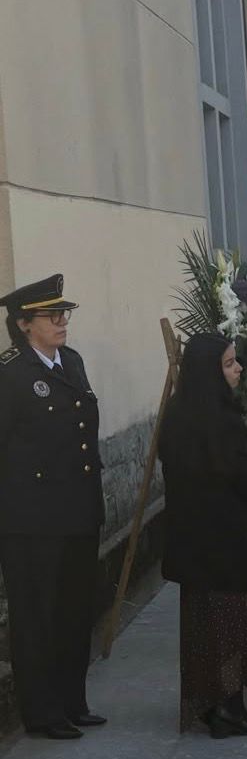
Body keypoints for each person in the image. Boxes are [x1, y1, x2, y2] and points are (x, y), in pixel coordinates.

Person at [0, 274, 105, 740]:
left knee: (74, 610)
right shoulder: (10, 374)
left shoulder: (72, 362)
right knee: (35, 617)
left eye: (65, 314)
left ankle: (71, 701)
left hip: (79, 512)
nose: (62, 322)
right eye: (51, 315)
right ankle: (42, 713)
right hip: (31, 521)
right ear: (24, 324)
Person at [159, 333, 247, 738]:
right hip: (226, 544)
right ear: (209, 372)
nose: (239, 369)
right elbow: (242, 478)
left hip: (194, 544)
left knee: (204, 627)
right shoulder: (220, 420)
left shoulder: (178, 413)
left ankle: (211, 704)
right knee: (234, 627)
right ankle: (229, 709)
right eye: (229, 364)